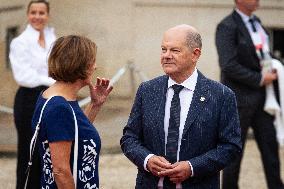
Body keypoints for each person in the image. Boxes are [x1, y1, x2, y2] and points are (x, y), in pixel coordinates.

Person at [120, 24, 242, 189]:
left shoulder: (221, 95)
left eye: (175, 51)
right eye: (164, 49)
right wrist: (147, 159)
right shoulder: (147, 90)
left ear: (195, 54)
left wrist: (192, 167)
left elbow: (231, 146)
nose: (166, 56)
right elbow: (129, 138)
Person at [215, 0, 284, 189]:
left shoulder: (258, 23)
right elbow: (228, 65)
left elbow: (264, 55)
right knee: (233, 154)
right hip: (238, 101)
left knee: (271, 150)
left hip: (264, 100)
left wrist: (277, 66)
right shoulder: (226, 26)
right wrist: (260, 78)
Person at [31, 35, 113, 188]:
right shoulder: (59, 108)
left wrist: (95, 105)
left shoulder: (54, 97)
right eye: (92, 61)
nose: (95, 67)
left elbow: (74, 134)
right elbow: (61, 171)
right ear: (80, 64)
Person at [9, 1, 56, 188]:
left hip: (50, 97)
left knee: (46, 151)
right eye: (33, 12)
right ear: (28, 14)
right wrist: (54, 82)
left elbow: (56, 65)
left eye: (42, 12)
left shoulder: (52, 37)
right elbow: (24, 76)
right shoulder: (19, 42)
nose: (37, 16)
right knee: (28, 152)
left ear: (48, 15)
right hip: (28, 99)